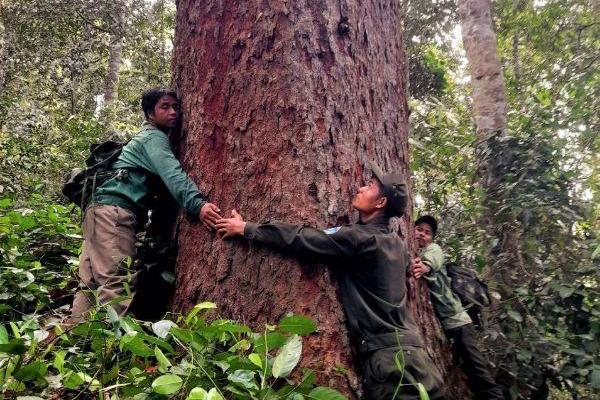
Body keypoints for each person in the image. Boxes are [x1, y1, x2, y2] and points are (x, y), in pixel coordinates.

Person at [216, 165, 444, 400]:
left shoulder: (358, 239)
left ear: (380, 203)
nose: (361, 187)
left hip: (390, 362)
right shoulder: (398, 244)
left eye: (370, 186)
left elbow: (301, 238)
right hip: (419, 356)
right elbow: (406, 266)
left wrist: (246, 228)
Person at [70, 88, 221, 319]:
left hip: (97, 210)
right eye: (165, 107)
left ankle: (79, 342)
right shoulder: (153, 137)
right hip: (114, 213)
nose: (173, 112)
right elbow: (173, 174)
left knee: (89, 282)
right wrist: (197, 204)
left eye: (175, 107)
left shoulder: (142, 138)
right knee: (116, 281)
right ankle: (113, 349)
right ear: (150, 113)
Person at [413, 215, 504, 400]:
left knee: (476, 368)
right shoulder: (412, 250)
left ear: (432, 238)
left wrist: (425, 267)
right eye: (419, 229)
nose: (422, 234)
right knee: (464, 372)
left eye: (427, 233)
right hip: (449, 325)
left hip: (458, 322)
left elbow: (433, 259)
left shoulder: (432, 249)